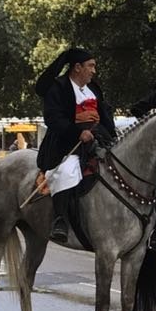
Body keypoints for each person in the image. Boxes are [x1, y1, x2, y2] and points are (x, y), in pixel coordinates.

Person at [36, 47, 116, 244]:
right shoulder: (59, 87)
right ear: (77, 67)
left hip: (97, 139)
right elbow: (53, 118)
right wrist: (78, 132)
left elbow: (105, 115)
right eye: (90, 66)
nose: (93, 71)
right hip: (66, 143)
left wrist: (109, 134)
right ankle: (60, 220)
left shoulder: (94, 89)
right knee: (66, 171)